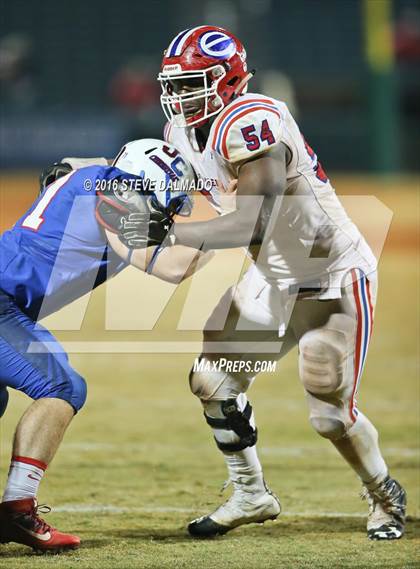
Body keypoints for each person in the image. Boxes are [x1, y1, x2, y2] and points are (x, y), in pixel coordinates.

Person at [127, 25, 406, 541]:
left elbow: (253, 220)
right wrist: (114, 195)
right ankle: (251, 494)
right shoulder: (183, 134)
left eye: (193, 83)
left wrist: (170, 229)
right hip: (274, 275)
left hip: (330, 278)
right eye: (176, 84)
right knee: (212, 378)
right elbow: (183, 200)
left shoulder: (252, 117)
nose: (180, 96)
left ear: (228, 78)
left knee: (329, 414)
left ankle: (384, 492)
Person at [0, 139, 208, 553]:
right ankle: (17, 510)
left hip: (8, 302)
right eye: (168, 204)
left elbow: (71, 169)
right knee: (62, 387)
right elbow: (169, 267)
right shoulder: (118, 192)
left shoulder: (98, 179)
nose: (167, 216)